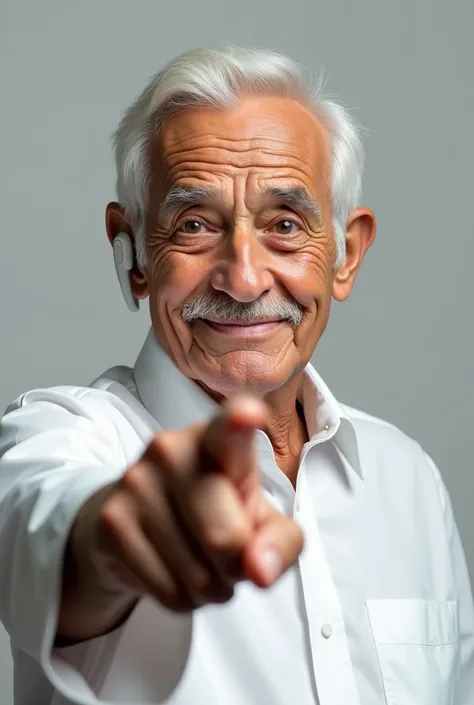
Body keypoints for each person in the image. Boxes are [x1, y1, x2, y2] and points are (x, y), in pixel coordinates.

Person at [0, 45, 472, 705]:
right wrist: (121, 537)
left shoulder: (411, 480)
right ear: (131, 252)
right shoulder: (54, 437)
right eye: (194, 225)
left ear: (346, 255)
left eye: (285, 225)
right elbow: (42, 523)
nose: (244, 278)